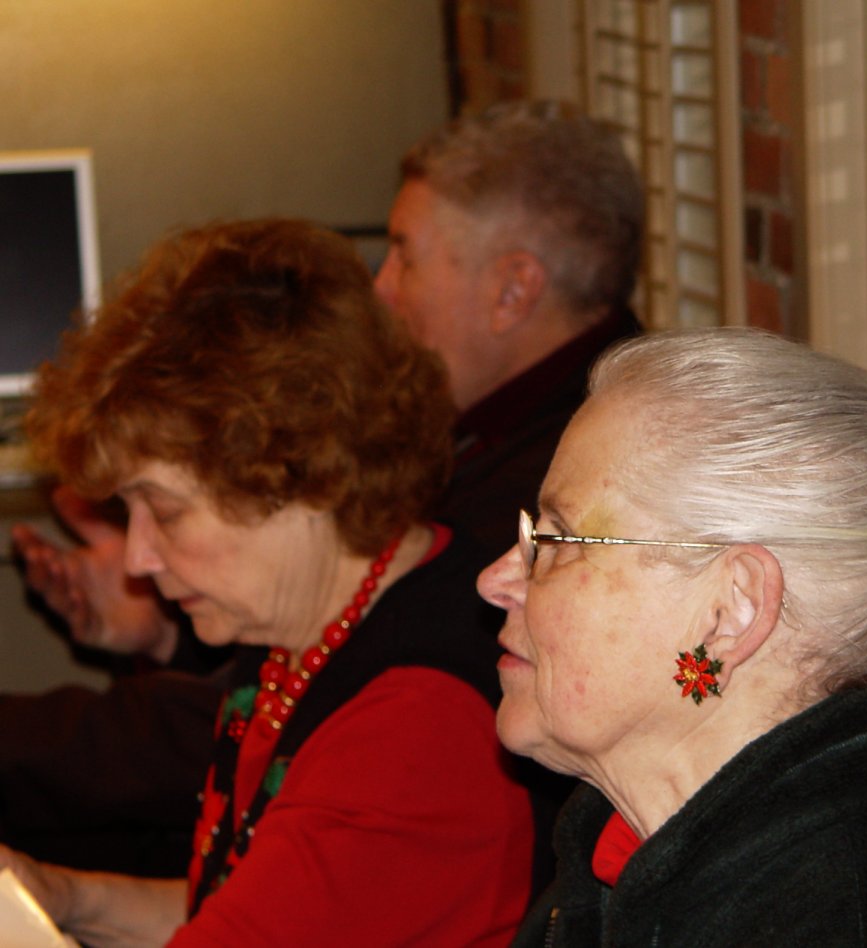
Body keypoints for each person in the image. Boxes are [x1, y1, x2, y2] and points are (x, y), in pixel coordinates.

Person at [3, 99, 643, 881]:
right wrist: (165, 628)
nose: (382, 289)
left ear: (514, 291)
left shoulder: (563, 487)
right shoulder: (495, 427)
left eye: (405, 256)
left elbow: (312, 714)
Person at [0, 218, 533, 945]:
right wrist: (62, 896)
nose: (138, 559)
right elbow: (249, 906)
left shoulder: (415, 733)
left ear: (302, 476)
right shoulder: (316, 623)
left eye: (165, 511)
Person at [478, 328, 867, 945]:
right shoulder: (627, 850)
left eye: (556, 541)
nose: (495, 581)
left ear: (730, 612)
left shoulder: (845, 920)